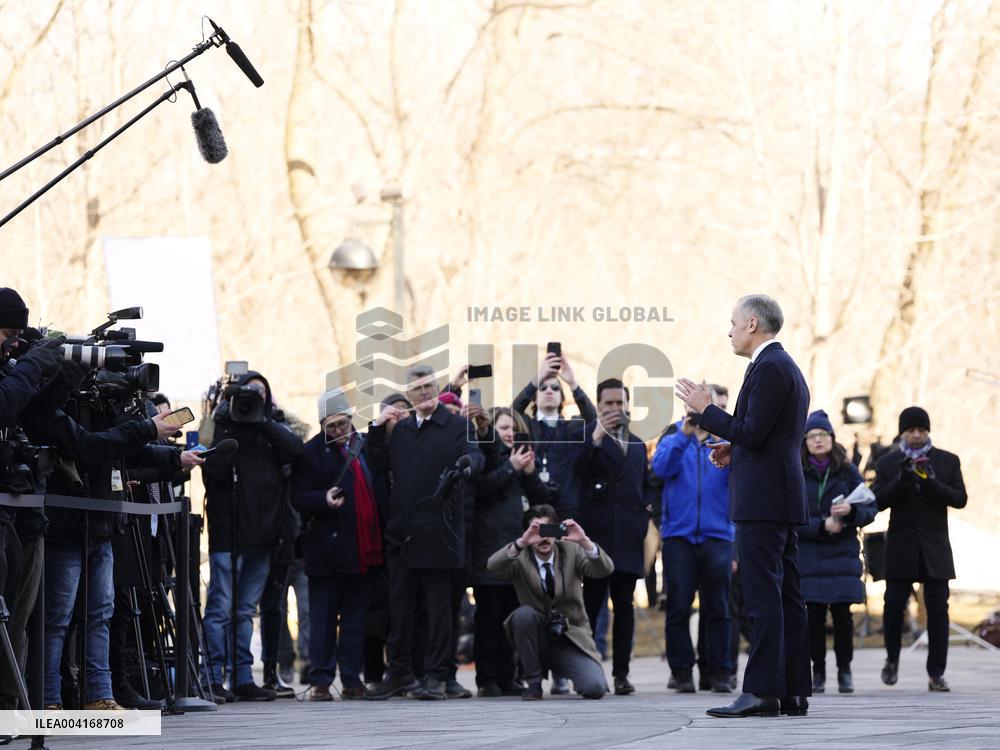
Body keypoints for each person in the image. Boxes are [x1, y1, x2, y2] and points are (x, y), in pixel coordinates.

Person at [676, 293, 811, 718]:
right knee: (787, 595)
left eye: (733, 323)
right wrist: (735, 448)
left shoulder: (770, 367)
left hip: (764, 500)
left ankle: (761, 691)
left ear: (752, 324)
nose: (729, 330)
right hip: (778, 494)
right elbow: (765, 435)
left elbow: (752, 431)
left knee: (763, 596)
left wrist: (706, 411)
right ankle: (791, 690)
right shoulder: (782, 366)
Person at [365, 365, 484, 701]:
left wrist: (468, 466)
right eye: (416, 388)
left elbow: (476, 456)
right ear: (409, 393)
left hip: (439, 532)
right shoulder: (400, 430)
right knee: (400, 609)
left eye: (429, 386)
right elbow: (378, 464)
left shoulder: (457, 425)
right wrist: (376, 427)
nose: (424, 393)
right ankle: (400, 673)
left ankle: (436, 675)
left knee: (438, 611)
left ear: (436, 388)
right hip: (403, 534)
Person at [201, 371, 304, 702]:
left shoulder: (272, 430)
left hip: (262, 537)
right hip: (227, 536)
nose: (252, 400)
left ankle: (243, 678)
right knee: (219, 610)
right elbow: (211, 471)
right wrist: (223, 420)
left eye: (259, 394)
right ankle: (213, 678)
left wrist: (263, 421)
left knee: (244, 612)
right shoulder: (223, 427)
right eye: (246, 394)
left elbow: (296, 452)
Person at [291, 389, 383, 701]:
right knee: (323, 620)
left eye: (342, 424)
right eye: (331, 426)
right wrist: (322, 499)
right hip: (326, 551)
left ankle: (352, 679)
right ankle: (320, 680)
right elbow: (299, 496)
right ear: (321, 424)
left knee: (355, 621)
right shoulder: (311, 452)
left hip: (360, 549)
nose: (338, 431)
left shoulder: (364, 445)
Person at [873, 406, 966, 692]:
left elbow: (960, 498)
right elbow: (877, 501)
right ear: (902, 432)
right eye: (910, 430)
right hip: (901, 546)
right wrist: (901, 480)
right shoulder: (888, 463)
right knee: (894, 606)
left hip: (935, 547)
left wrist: (931, 481)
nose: (916, 435)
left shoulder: (947, 461)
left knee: (938, 609)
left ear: (928, 432)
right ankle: (892, 658)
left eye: (921, 430)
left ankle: (936, 672)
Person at [575, 377, 656, 695]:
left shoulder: (637, 444)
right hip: (596, 538)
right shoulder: (586, 438)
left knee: (624, 607)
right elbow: (577, 472)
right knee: (591, 606)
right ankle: (589, 669)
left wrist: (645, 510)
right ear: (598, 406)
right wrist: (595, 437)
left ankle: (621, 673)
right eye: (608, 403)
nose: (614, 409)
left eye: (619, 403)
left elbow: (646, 482)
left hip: (628, 537)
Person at [486, 505, 611, 700]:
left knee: (595, 688)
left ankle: (570, 671)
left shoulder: (571, 551)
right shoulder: (521, 556)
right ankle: (534, 683)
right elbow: (493, 566)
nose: (543, 538)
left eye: (548, 530)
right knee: (523, 615)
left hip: (570, 638)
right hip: (536, 638)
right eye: (537, 530)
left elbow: (604, 570)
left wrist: (585, 541)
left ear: (557, 531)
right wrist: (521, 542)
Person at [652, 410, 734, 694]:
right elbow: (660, 469)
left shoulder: (723, 438)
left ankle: (719, 671)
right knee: (678, 606)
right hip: (679, 536)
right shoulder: (673, 435)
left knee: (719, 608)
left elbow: (737, 476)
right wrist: (684, 435)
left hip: (717, 535)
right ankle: (681, 671)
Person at [469, 407, 549, 697]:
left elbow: (544, 504)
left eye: (514, 429)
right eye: (504, 428)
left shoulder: (524, 460)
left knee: (511, 618)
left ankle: (507, 675)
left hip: (519, 556)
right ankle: (486, 678)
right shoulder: (486, 458)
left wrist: (527, 474)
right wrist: (510, 468)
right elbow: (481, 490)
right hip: (489, 552)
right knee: (488, 619)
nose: (510, 433)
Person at [797, 410, 876, 694]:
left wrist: (851, 511)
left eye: (822, 435)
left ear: (832, 438)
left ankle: (845, 670)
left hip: (842, 554)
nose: (817, 441)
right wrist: (821, 526)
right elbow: (791, 518)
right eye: (811, 437)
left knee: (843, 617)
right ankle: (817, 671)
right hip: (809, 555)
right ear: (804, 441)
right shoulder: (797, 470)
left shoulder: (847, 470)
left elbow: (871, 508)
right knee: (813, 618)